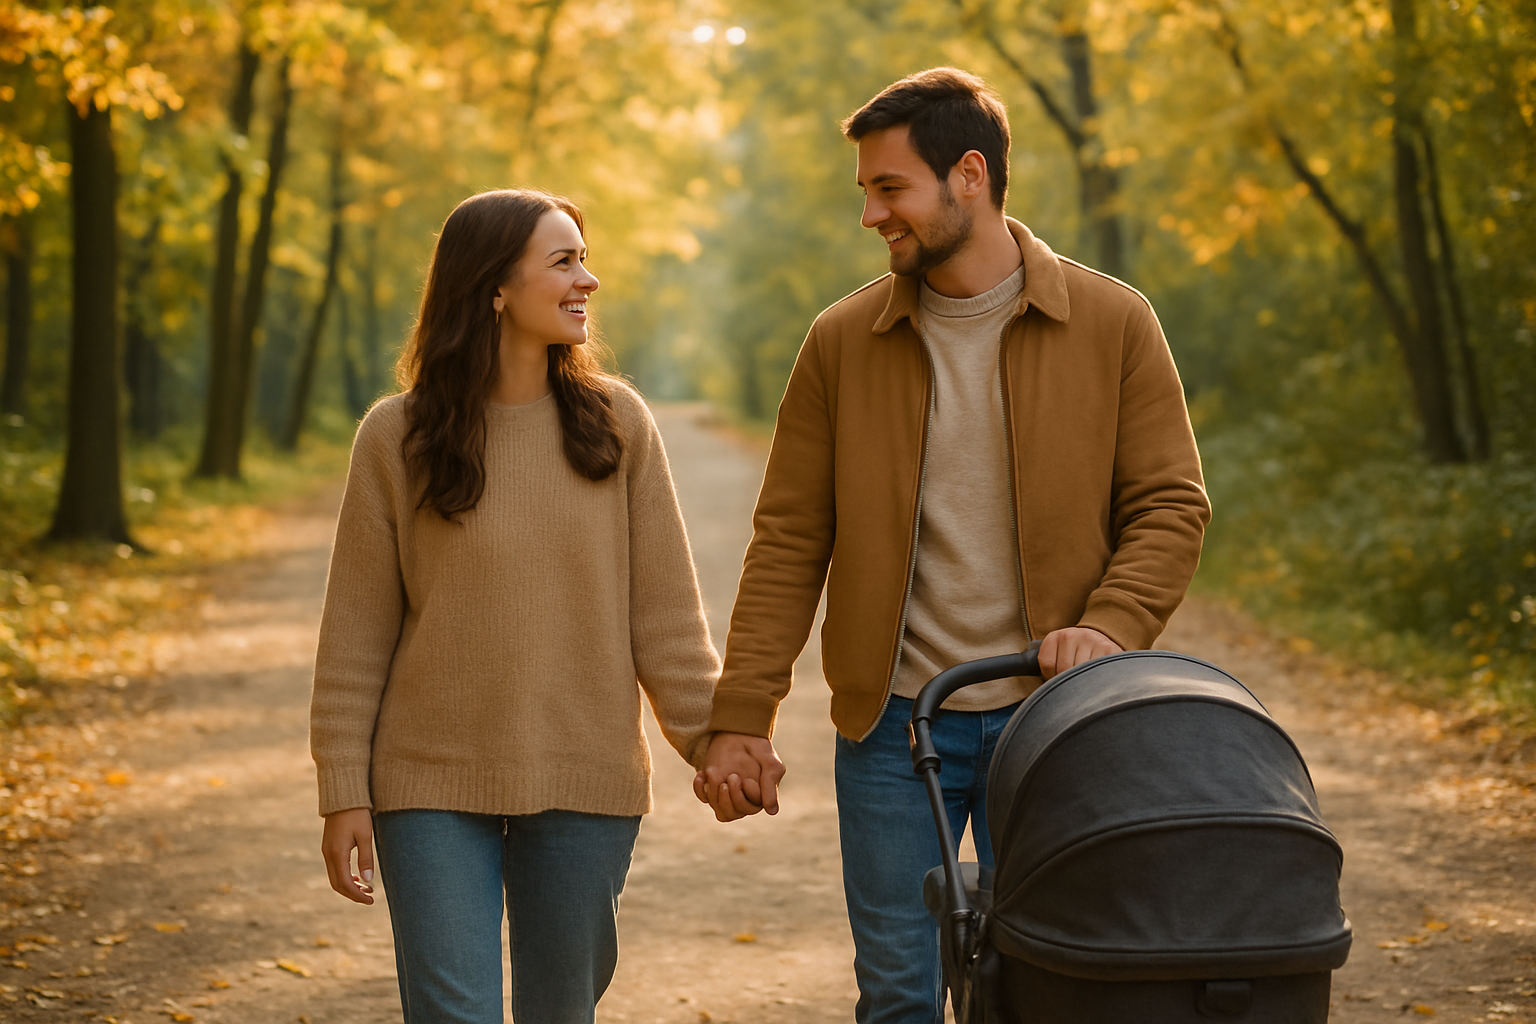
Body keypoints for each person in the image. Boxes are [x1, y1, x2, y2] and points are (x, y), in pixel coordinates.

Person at [693, 68, 1211, 1023]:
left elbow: (1171, 504)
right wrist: (743, 711)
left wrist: (1108, 626)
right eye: (865, 193)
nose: (871, 216)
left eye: (890, 189)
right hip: (896, 728)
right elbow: (789, 540)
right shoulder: (842, 342)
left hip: (1059, 723)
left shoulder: (1114, 322)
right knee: (897, 994)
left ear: (969, 175)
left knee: (1058, 987)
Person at [310, 188, 718, 1024]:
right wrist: (343, 789)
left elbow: (669, 623)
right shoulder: (395, 438)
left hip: (585, 776)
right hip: (428, 784)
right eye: (564, 261)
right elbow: (356, 638)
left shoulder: (618, 424)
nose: (588, 280)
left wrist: (719, 742)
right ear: (494, 286)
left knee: (559, 1012)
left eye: (584, 257)